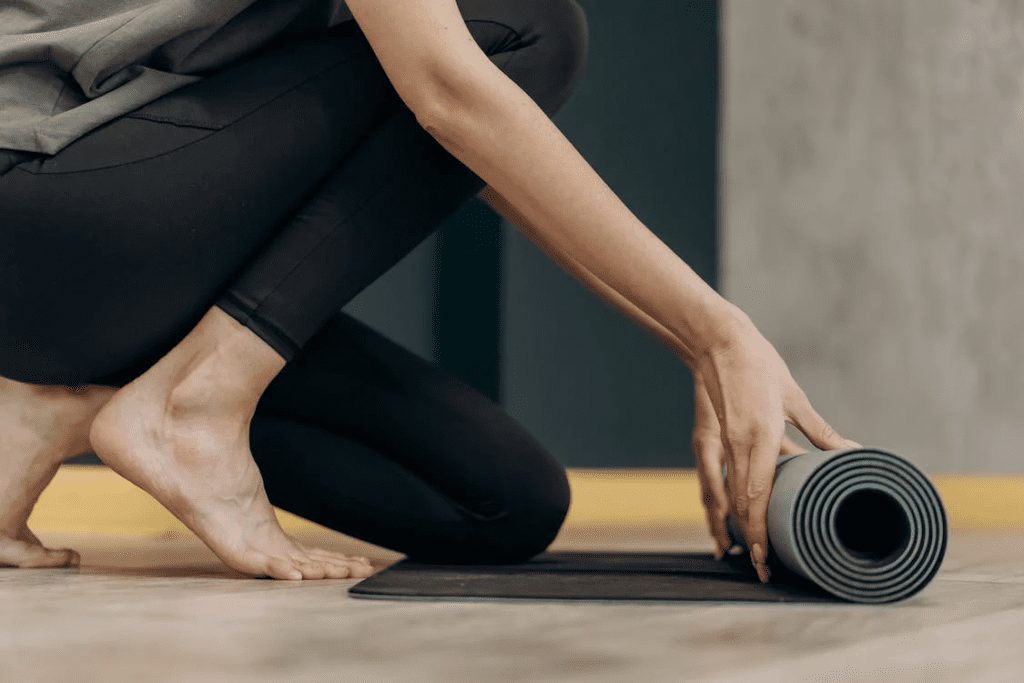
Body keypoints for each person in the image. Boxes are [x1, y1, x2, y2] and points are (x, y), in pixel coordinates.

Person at [0, 0, 859, 582]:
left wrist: (703, 354)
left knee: (501, 500)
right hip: (43, 203)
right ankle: (191, 405)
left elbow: (453, 140)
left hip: (94, 228)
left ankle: (57, 399)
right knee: (527, 23)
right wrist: (718, 331)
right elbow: (453, 92)